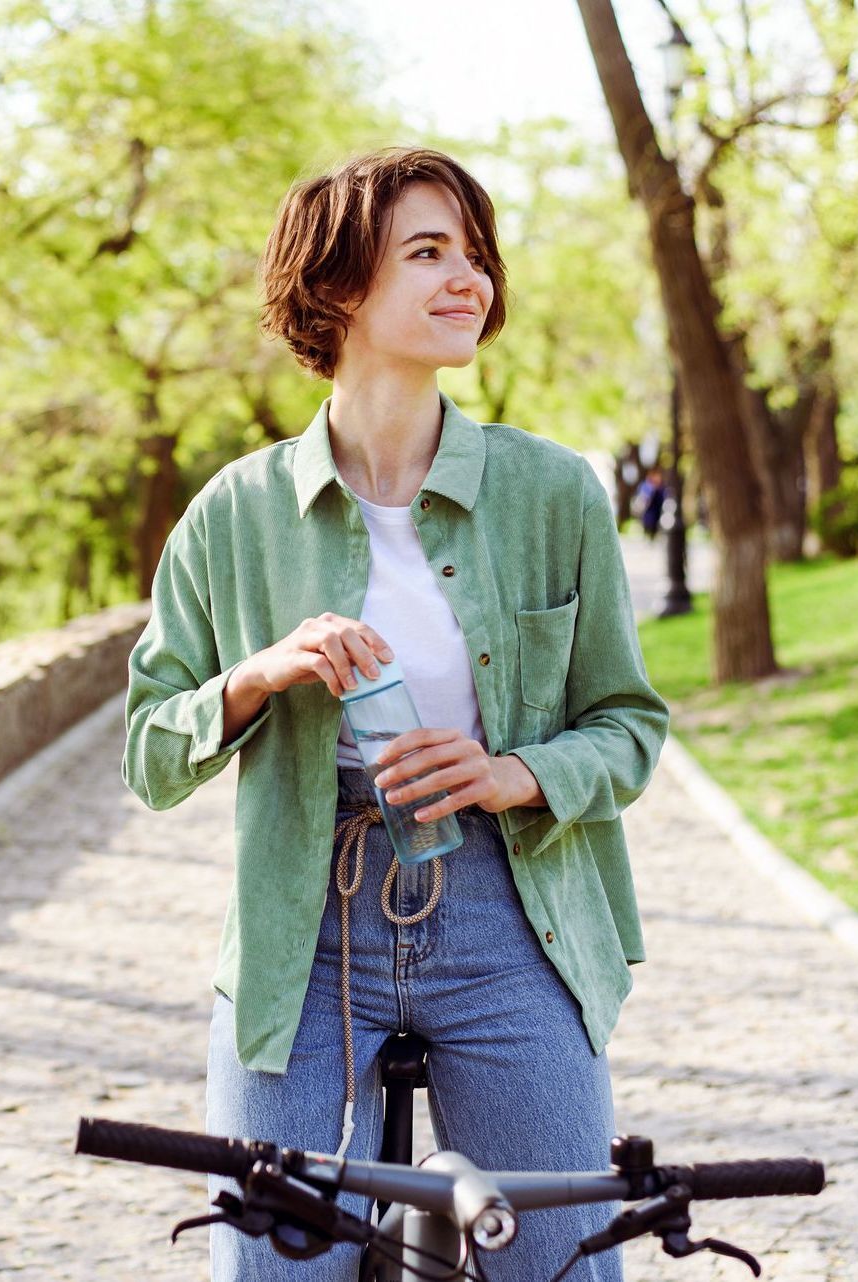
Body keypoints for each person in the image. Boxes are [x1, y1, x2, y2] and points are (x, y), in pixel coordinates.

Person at [122, 147, 669, 1282]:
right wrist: (256, 676)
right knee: (273, 1265)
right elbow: (146, 752)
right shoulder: (233, 514)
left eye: (473, 254)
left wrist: (509, 774)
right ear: (336, 289)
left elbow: (627, 724)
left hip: (506, 915)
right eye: (426, 252)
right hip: (302, 931)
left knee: (562, 1259)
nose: (465, 276)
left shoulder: (552, 491)